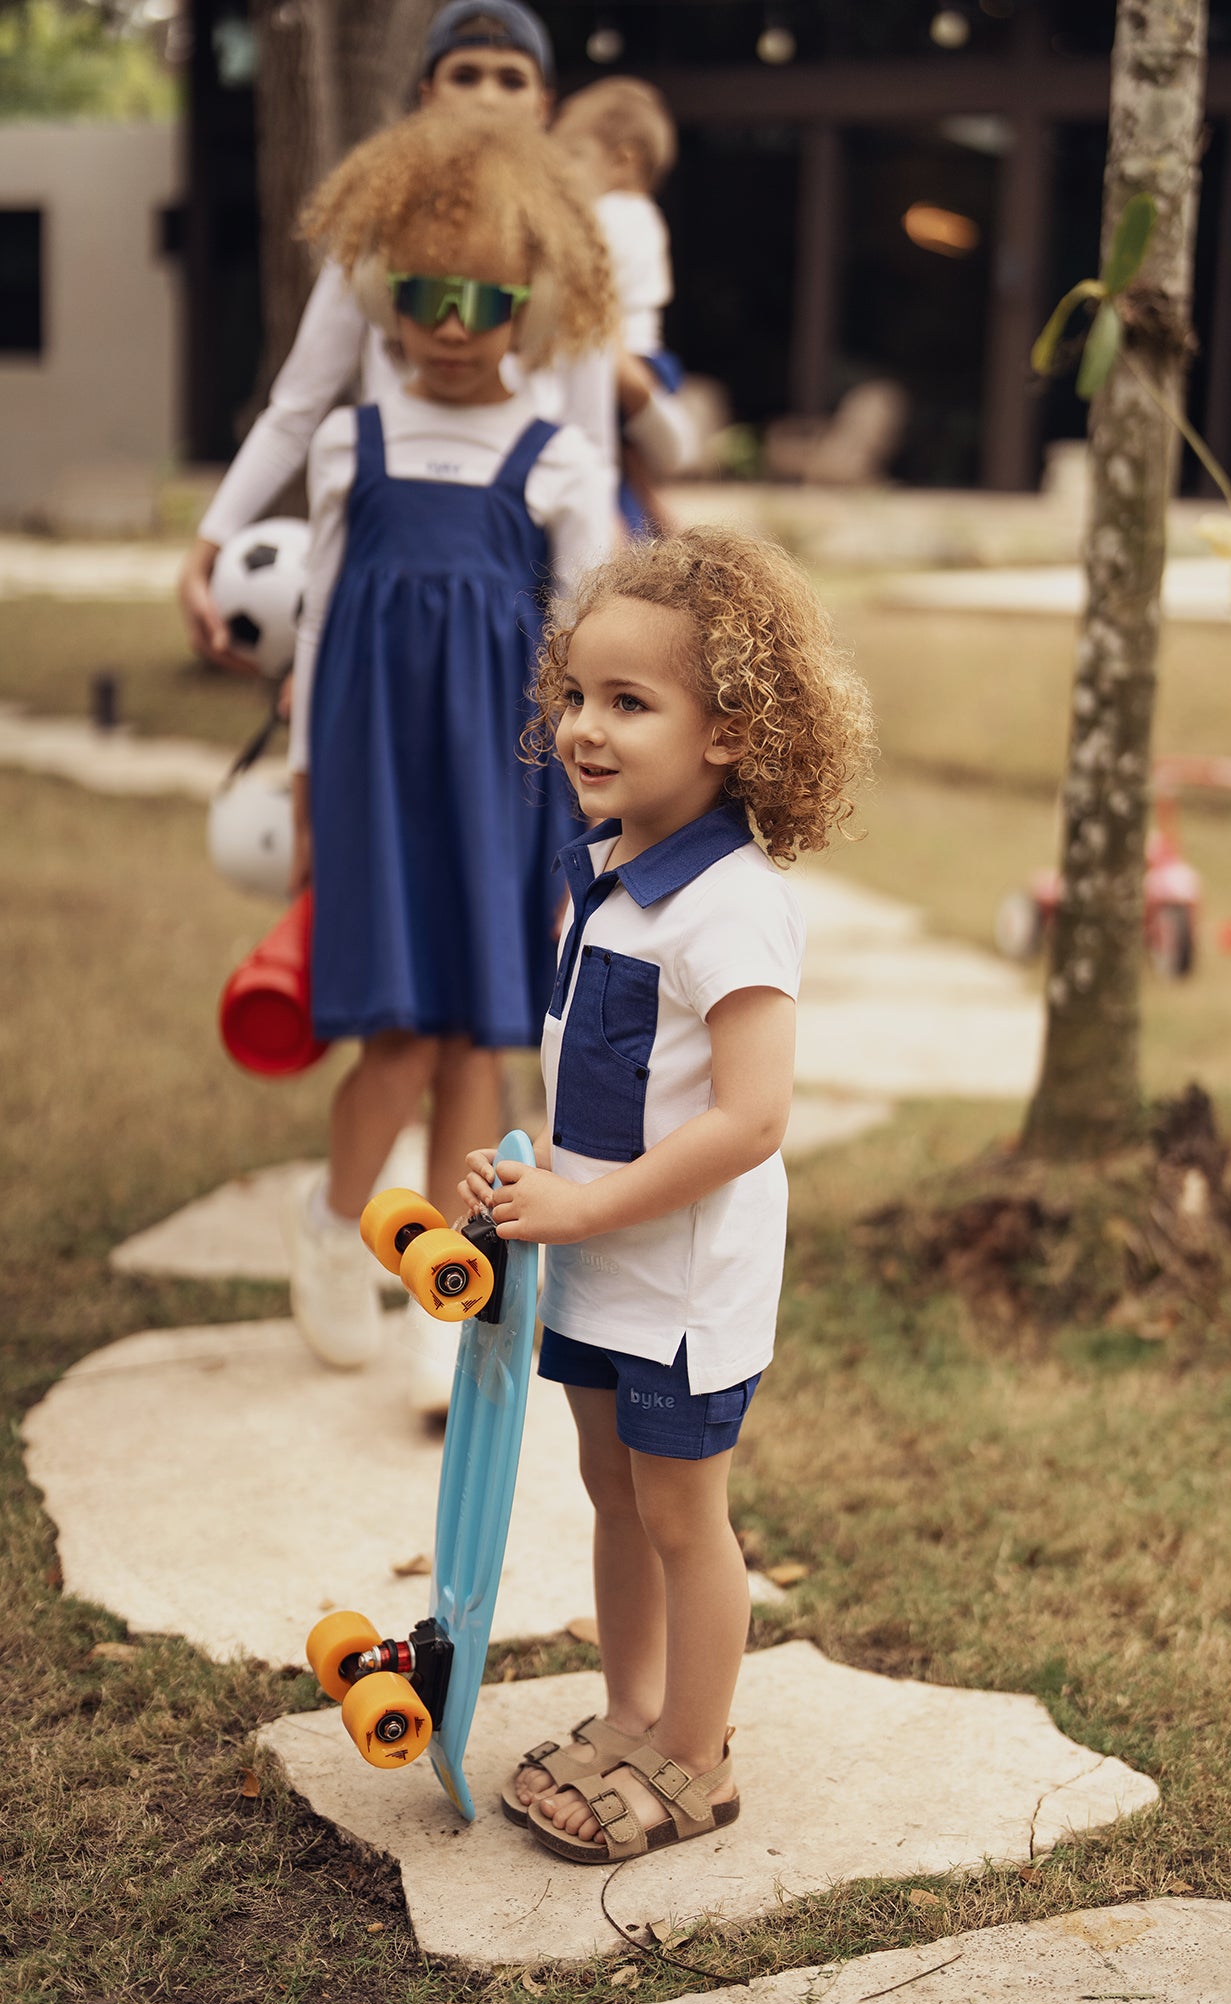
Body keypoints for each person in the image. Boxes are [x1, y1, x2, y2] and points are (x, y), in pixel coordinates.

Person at [460, 527, 875, 1863]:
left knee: (685, 1518)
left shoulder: (732, 910)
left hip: (681, 1282)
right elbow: (612, 1080)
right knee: (611, 1493)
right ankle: (630, 1715)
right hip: (595, 1255)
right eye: (577, 696)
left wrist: (590, 1208)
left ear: (733, 732)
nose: (584, 729)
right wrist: (536, 1178)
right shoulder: (603, 878)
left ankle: (697, 1760)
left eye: (629, 704)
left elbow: (751, 1118)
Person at [283, 108, 617, 1409]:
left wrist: (586, 829)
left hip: (503, 786)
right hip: (373, 779)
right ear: (384, 289)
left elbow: (588, 665)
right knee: (400, 1037)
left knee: (478, 1037)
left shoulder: (558, 465)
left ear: (529, 302)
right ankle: (333, 1223)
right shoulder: (345, 447)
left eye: (484, 296)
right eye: (423, 291)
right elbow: (314, 632)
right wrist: (309, 785)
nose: (451, 321)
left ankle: (442, 1286)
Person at [178, 0, 614, 667]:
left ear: (544, 104)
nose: (486, 97)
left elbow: (592, 446)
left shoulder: (567, 247)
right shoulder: (377, 233)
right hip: (395, 542)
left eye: (510, 78)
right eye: (465, 74)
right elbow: (296, 408)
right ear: (426, 94)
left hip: (516, 560)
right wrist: (210, 544)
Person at [554, 76, 694, 534]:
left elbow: (579, 286)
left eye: (574, 155)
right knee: (625, 475)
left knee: (603, 479)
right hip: (636, 359)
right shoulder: (642, 217)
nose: (563, 172)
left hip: (625, 360)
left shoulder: (614, 215)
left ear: (624, 159)